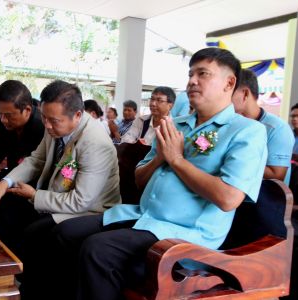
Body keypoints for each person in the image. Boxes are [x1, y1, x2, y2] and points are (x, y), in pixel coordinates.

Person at [54, 47, 268, 300]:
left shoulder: (247, 131)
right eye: (190, 74)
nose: (191, 81)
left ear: (229, 82)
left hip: (187, 235)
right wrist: (160, 158)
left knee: (98, 250)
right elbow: (139, 180)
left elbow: (228, 198)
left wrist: (176, 159)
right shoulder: (174, 125)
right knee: (65, 232)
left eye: (203, 74)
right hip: (143, 217)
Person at [0, 80, 121, 299]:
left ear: (77, 115)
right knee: (2, 209)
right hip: (60, 198)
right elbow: (36, 160)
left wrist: (35, 196)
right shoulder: (53, 126)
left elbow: (81, 201)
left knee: (36, 232)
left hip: (93, 209)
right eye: (44, 118)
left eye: (54, 120)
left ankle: (34, 290)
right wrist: (3, 184)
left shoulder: (95, 143)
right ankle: (2, 281)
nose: (47, 125)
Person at [232, 68, 294, 184]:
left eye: (228, 92)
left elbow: (276, 174)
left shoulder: (277, 128)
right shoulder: (231, 122)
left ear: (245, 94)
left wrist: (231, 160)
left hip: (265, 197)